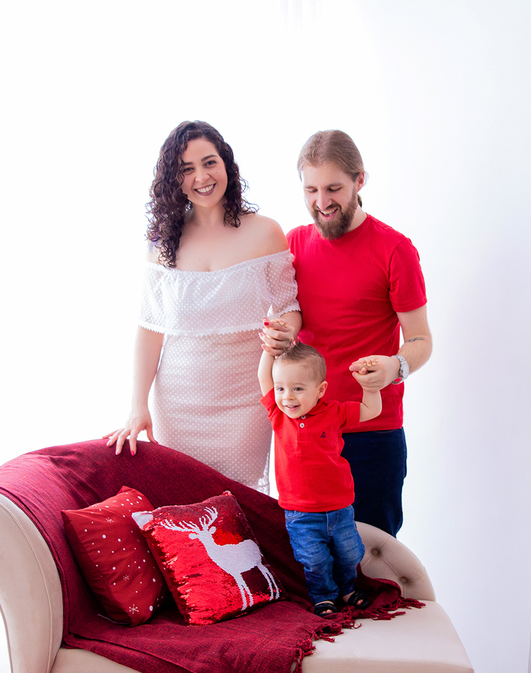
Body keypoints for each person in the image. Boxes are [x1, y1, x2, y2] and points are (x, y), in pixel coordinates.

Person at [106, 121, 300, 491]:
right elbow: (149, 329)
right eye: (186, 169)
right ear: (173, 180)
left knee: (238, 508)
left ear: (226, 163)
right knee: (182, 509)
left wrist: (285, 331)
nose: (202, 176)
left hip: (246, 403)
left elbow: (289, 307)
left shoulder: (266, 232)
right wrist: (137, 406)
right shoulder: (161, 243)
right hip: (177, 404)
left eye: (209, 162)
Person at [286, 130, 432, 536]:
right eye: (311, 189)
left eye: (334, 188)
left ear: (359, 181)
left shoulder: (394, 249)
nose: (321, 202)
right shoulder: (293, 244)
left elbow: (421, 339)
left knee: (375, 562)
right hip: (307, 432)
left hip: (372, 433)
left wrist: (395, 366)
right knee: (310, 565)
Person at [257, 340, 381, 617]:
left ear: (320, 390)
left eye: (298, 389)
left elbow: (370, 411)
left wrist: (371, 388)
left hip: (339, 508)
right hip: (300, 513)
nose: (287, 397)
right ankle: (323, 596)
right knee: (314, 560)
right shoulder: (279, 416)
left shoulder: (334, 412)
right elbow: (263, 376)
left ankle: (347, 589)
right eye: (281, 388)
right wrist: (269, 350)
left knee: (350, 554)